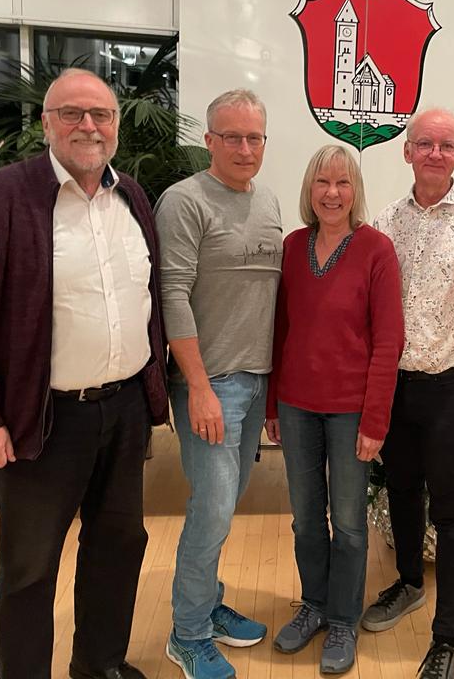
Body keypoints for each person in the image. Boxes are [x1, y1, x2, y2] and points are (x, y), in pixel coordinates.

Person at [0, 68, 170, 679]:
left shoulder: (132, 198)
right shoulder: (1, 200)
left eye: (101, 115)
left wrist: (151, 394)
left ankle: (99, 665)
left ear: (116, 126)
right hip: (42, 419)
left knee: (118, 547)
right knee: (29, 568)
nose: (88, 126)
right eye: (72, 113)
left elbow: (149, 299)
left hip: (122, 410)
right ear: (46, 124)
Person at [364, 107, 454, 679]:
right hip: (395, 386)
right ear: (407, 152)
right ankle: (407, 583)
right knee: (400, 490)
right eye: (424, 144)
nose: (435, 154)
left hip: (453, 387)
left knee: (452, 509)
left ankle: (448, 636)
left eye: (446, 145)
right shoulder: (384, 223)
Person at [155, 88, 283, 679]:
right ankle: (187, 633)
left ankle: (207, 603)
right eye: (231, 136)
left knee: (225, 506)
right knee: (211, 511)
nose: (244, 148)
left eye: (254, 137)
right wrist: (199, 387)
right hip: (210, 385)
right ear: (209, 140)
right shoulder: (183, 201)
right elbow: (172, 294)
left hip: (254, 382)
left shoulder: (269, 200)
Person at [264, 144, 404, 674]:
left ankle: (343, 618)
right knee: (305, 520)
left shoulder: (376, 250)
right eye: (322, 182)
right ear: (310, 189)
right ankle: (314, 605)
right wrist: (274, 402)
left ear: (355, 191)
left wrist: (375, 419)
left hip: (350, 411)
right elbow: (280, 330)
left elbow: (389, 341)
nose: (332, 193)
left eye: (343, 183)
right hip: (296, 405)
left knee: (347, 524)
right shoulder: (292, 246)